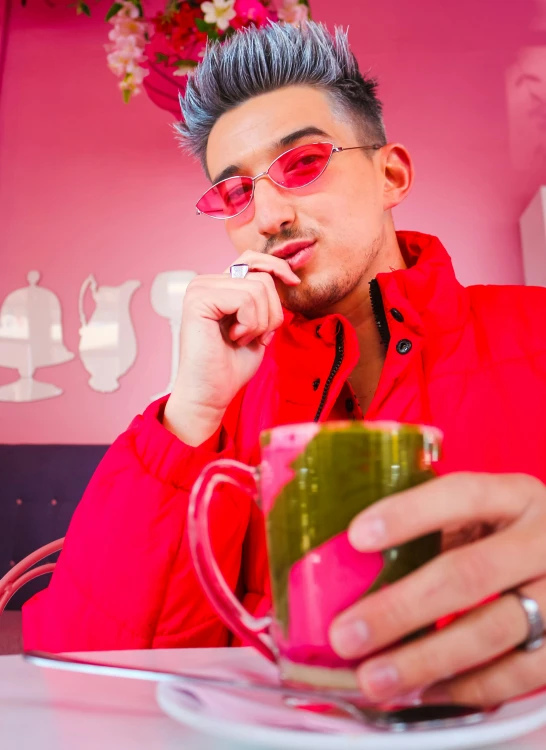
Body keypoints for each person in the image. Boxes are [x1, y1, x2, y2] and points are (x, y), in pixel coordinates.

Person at [22, 22, 546, 707]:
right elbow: (84, 680)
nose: (268, 214)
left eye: (302, 164)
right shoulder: (217, 415)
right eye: (236, 193)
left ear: (391, 175)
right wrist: (189, 416)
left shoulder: (532, 330)